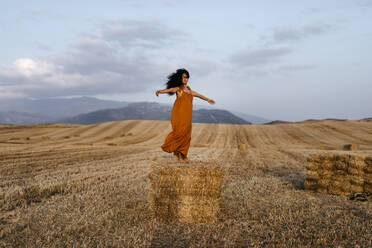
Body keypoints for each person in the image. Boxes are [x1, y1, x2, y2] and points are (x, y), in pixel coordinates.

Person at [155, 68, 215, 162]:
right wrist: (160, 91)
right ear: (180, 78)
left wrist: (207, 99)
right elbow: (171, 89)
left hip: (187, 117)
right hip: (179, 116)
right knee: (180, 134)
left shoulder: (189, 90)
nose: (185, 79)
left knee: (187, 135)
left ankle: (183, 154)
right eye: (184, 77)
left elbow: (198, 95)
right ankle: (178, 154)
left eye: (187, 77)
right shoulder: (179, 89)